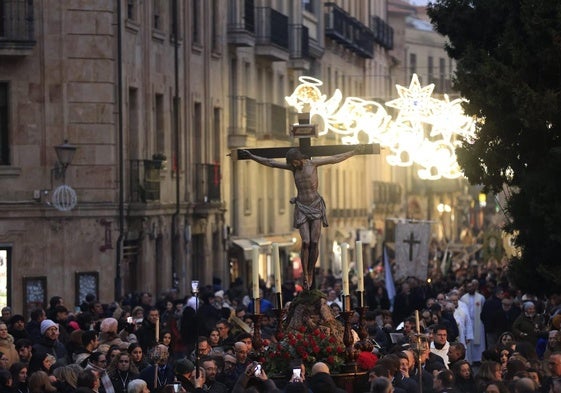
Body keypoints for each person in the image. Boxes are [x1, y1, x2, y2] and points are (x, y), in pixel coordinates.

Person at [243, 145, 365, 289]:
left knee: (314, 242)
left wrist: (354, 152)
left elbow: (335, 158)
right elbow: (271, 162)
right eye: (291, 164)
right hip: (301, 206)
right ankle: (305, 273)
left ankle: (311, 271)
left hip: (315, 206)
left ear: (299, 158)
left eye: (294, 162)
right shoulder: (293, 168)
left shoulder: (313, 164)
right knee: (305, 242)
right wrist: (251, 156)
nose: (293, 165)